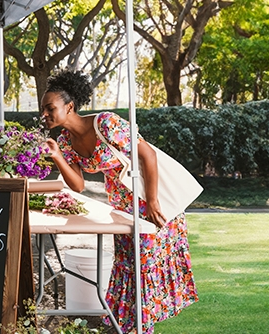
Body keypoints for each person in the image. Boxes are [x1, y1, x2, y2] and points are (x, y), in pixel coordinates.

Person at [41, 70, 197, 333]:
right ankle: (128, 327)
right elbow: (78, 185)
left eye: (49, 108)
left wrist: (154, 202)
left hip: (148, 200)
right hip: (122, 206)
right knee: (128, 264)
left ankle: (142, 328)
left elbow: (147, 155)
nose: (44, 114)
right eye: (42, 109)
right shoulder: (65, 142)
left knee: (145, 267)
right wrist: (57, 156)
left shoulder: (105, 124)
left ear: (69, 106)